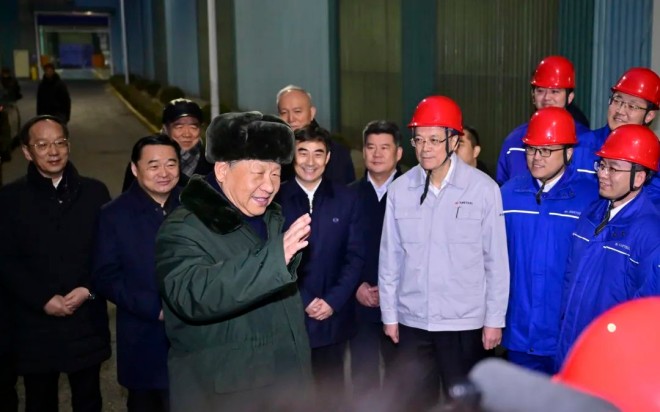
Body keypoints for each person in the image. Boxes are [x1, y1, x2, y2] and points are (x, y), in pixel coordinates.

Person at [155, 111, 314, 411]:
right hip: (225, 395)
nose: (269, 186)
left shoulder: (270, 219)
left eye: (276, 174)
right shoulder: (184, 228)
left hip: (286, 387)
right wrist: (273, 260)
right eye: (258, 172)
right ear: (222, 170)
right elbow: (193, 294)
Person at [378, 96, 509, 411]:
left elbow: (496, 261)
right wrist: (390, 315)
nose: (425, 148)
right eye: (419, 139)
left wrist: (494, 320)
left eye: (435, 140)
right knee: (414, 404)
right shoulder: (400, 190)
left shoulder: (483, 189)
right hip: (413, 321)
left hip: (463, 324)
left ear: (454, 140)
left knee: (465, 403)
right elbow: (390, 258)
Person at [0, 115, 111, 411]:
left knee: (89, 400)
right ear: (27, 152)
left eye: (60, 143)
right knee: (39, 400)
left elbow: (108, 252)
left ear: (69, 146)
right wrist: (42, 300)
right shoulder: (9, 199)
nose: (53, 151)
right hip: (34, 325)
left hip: (86, 319)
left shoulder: (95, 193)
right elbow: (6, 261)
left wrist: (88, 289)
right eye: (42, 145)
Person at [500, 107, 599, 375]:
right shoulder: (508, 195)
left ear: (569, 152)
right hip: (518, 332)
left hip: (566, 334)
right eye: (531, 149)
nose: (536, 158)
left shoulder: (591, 199)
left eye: (546, 150)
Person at [556, 124, 660, 368]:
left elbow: (647, 309)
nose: (603, 174)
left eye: (613, 168)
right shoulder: (592, 213)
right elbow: (570, 280)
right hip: (572, 345)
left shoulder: (651, 234)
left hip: (611, 357)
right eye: (602, 165)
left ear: (639, 177)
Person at [275, 124, 365, 407]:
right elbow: (270, 257)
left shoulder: (347, 199)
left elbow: (355, 257)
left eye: (318, 153)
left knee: (331, 398)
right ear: (292, 155)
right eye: (303, 152)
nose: (310, 161)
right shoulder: (275, 199)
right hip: (289, 318)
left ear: (327, 158)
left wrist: (332, 301)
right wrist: (302, 299)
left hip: (333, 319)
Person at [93, 134, 182, 412]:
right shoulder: (114, 214)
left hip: (194, 341)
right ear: (135, 169)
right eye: (153, 165)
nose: (164, 173)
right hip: (143, 337)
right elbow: (105, 275)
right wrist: (154, 308)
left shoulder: (196, 207)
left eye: (171, 164)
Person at [348, 120, 402, 400]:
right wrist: (356, 286)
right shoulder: (347, 196)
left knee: (403, 382)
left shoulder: (414, 194)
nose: (377, 154)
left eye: (385, 147)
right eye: (371, 147)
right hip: (360, 303)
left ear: (399, 153)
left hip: (404, 305)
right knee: (363, 380)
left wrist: (392, 289)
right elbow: (339, 250)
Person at [496, 56, 598, 185]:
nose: (546, 98)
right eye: (540, 91)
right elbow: (502, 189)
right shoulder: (514, 141)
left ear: (570, 97)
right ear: (533, 96)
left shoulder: (589, 142)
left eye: (555, 91)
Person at [591, 67, 660, 202]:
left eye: (632, 106)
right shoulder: (581, 146)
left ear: (649, 116)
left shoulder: (656, 158)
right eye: (617, 100)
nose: (620, 111)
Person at [121, 98, 213, 191]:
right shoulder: (142, 162)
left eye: (193, 127)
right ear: (165, 128)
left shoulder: (212, 165)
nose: (187, 134)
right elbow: (127, 198)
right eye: (179, 127)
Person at [276, 85, 355, 184]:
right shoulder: (273, 151)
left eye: (297, 111)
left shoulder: (336, 152)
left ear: (312, 113)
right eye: (284, 112)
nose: (291, 119)